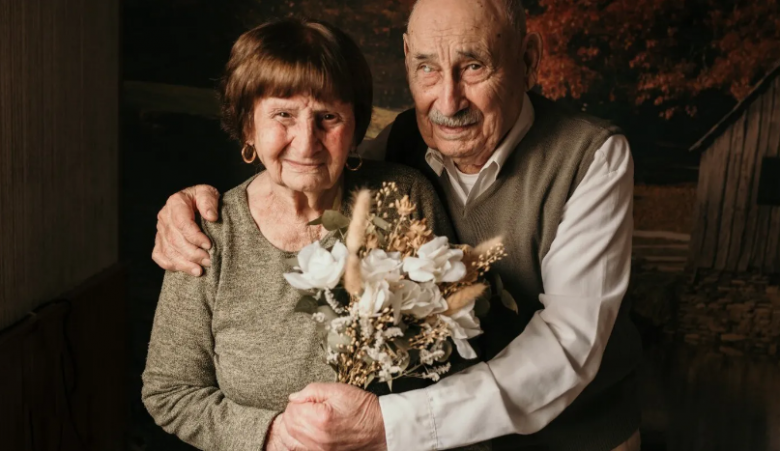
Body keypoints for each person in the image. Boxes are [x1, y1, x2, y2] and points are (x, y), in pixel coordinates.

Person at [152, 0, 643, 450]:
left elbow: (567, 345)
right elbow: (309, 173)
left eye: (474, 66)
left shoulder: (589, 158)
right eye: (427, 67)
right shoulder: (401, 145)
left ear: (529, 59)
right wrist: (186, 206)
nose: (449, 103)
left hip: (577, 439)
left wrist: (385, 424)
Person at [141, 18, 484, 451]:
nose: (306, 142)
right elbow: (170, 392)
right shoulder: (209, 231)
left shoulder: (402, 199)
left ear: (355, 128)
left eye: (328, 117)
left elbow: (456, 360)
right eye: (282, 115)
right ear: (248, 125)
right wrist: (274, 435)